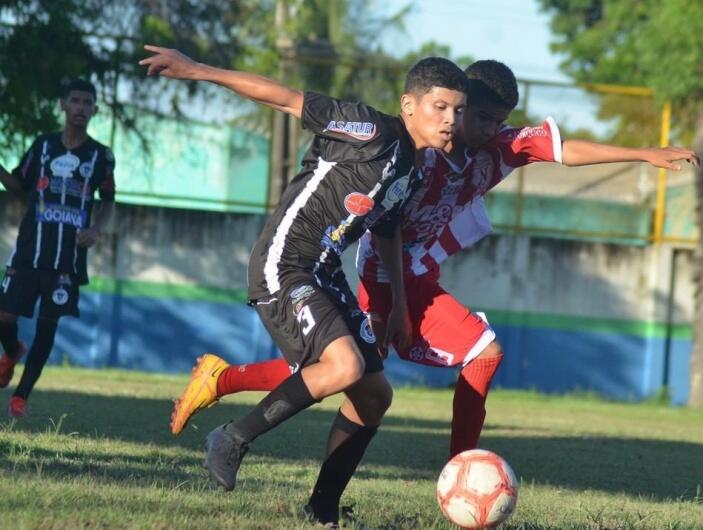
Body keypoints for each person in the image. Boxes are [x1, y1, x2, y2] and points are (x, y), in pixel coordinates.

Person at [168, 60, 698, 459]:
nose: (489, 129)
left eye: (497, 119)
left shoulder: (501, 146)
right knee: (454, 357)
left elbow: (568, 150)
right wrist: (396, 297)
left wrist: (647, 154)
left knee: (346, 374)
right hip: (385, 271)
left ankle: (225, 381)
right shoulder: (414, 145)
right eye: (479, 116)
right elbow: (381, 213)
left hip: (415, 273)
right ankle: (461, 470)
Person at [140, 45, 467, 526]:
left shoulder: (412, 169)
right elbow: (287, 99)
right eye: (440, 107)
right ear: (408, 105)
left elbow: (388, 229)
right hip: (285, 263)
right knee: (344, 366)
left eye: (457, 111)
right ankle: (232, 437)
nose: (450, 120)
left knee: (375, 395)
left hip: (324, 272)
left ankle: (323, 509)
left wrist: (398, 304)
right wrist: (198, 70)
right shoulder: (372, 131)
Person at [0, 78, 115, 418]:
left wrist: (95, 229)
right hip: (29, 251)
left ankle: (21, 395)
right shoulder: (43, 146)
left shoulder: (100, 156)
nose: (80, 107)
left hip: (67, 260)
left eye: (87, 102)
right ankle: (11, 351)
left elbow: (108, 200)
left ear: (94, 110)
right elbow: (20, 184)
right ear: (63, 105)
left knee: (47, 328)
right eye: (75, 101)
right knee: (4, 316)